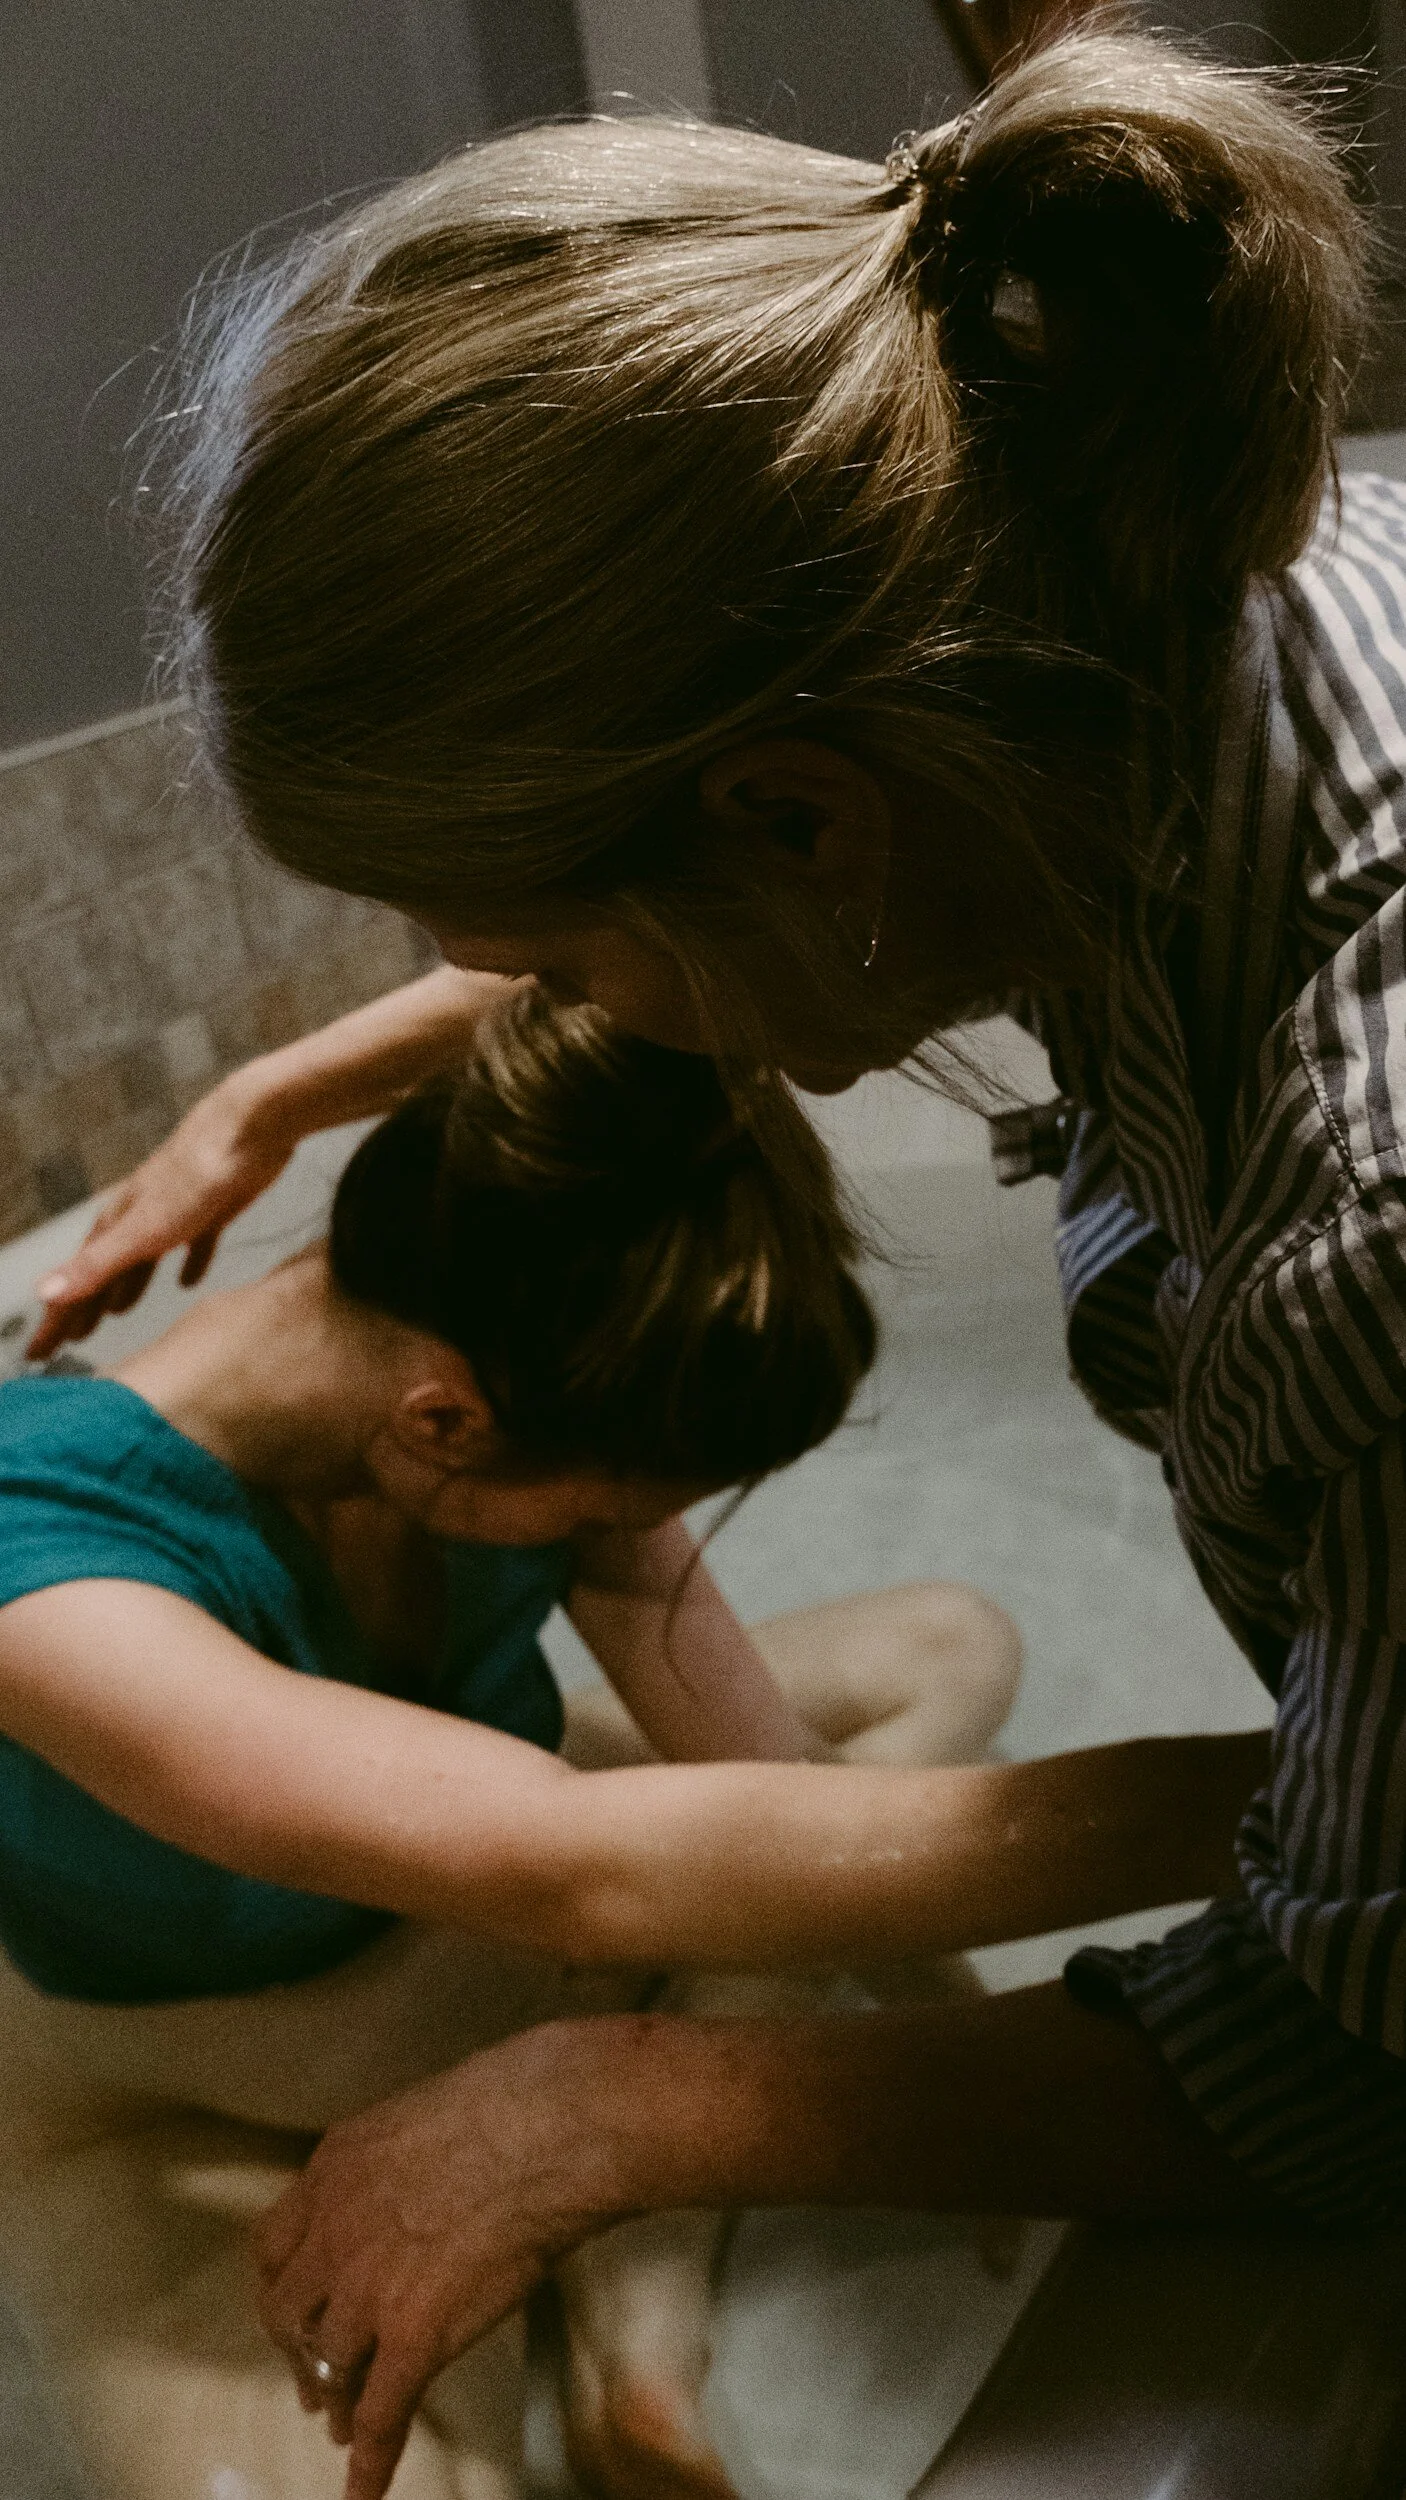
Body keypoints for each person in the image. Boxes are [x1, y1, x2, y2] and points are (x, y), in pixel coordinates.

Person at [30, 16, 1406, 2496]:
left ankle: (632, 2354)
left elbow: (1360, 2043)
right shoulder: (1171, 595)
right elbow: (594, 1855)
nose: (543, 1031)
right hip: (162, 2052)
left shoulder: (1367, 1187)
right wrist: (296, 1078)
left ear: (803, 823)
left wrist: (632, 2092)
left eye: (551, 966)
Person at [0, 979, 1024, 2500]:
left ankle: (638, 2342)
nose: (632, 1541)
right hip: (186, 2099)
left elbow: (758, 1784)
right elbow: (590, 1870)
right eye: (606, 1514)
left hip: (516, 1932)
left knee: (948, 1646)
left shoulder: (521, 1339)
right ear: (439, 1427)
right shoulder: (47, 1554)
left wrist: (962, 2035)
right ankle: (610, 2266)